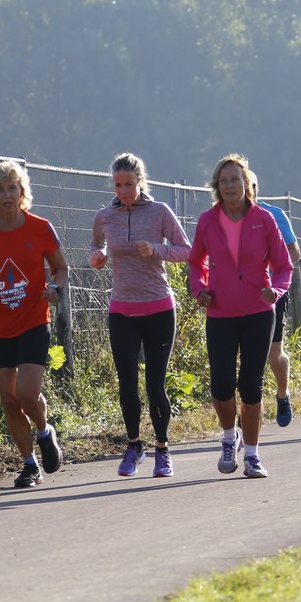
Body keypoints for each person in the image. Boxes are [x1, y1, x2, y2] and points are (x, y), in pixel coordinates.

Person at [0, 160, 70, 487]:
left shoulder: (41, 228)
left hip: (33, 321)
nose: (7, 194)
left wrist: (55, 288)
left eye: (13, 188)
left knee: (26, 394)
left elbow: (61, 268)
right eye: (0, 189)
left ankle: (44, 431)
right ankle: (29, 465)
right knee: (9, 401)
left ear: (22, 191)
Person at [188, 154, 293, 479]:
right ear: (216, 187)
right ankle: (228, 437)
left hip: (259, 312)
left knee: (251, 384)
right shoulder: (208, 220)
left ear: (246, 184)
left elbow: (284, 266)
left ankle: (252, 454)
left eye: (235, 179)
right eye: (224, 180)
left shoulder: (264, 219)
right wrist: (199, 289)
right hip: (220, 311)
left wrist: (275, 290)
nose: (229, 185)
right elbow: (196, 262)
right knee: (221, 384)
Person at [89, 153, 191, 478]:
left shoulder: (160, 211)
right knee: (127, 384)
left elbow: (187, 250)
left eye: (129, 185)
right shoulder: (105, 216)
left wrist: (156, 249)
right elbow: (94, 245)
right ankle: (134, 446)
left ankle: (162, 449)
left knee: (155, 385)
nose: (123, 191)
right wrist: (97, 257)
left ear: (141, 182)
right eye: (118, 185)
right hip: (122, 309)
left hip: (159, 307)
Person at [252, 175, 301, 427]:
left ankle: (283, 395)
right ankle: (251, 410)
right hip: (237, 295)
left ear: (255, 189)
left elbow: (294, 252)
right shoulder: (222, 217)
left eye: (246, 186)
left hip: (271, 294)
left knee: (274, 355)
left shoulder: (274, 214)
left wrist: (274, 273)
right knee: (248, 357)